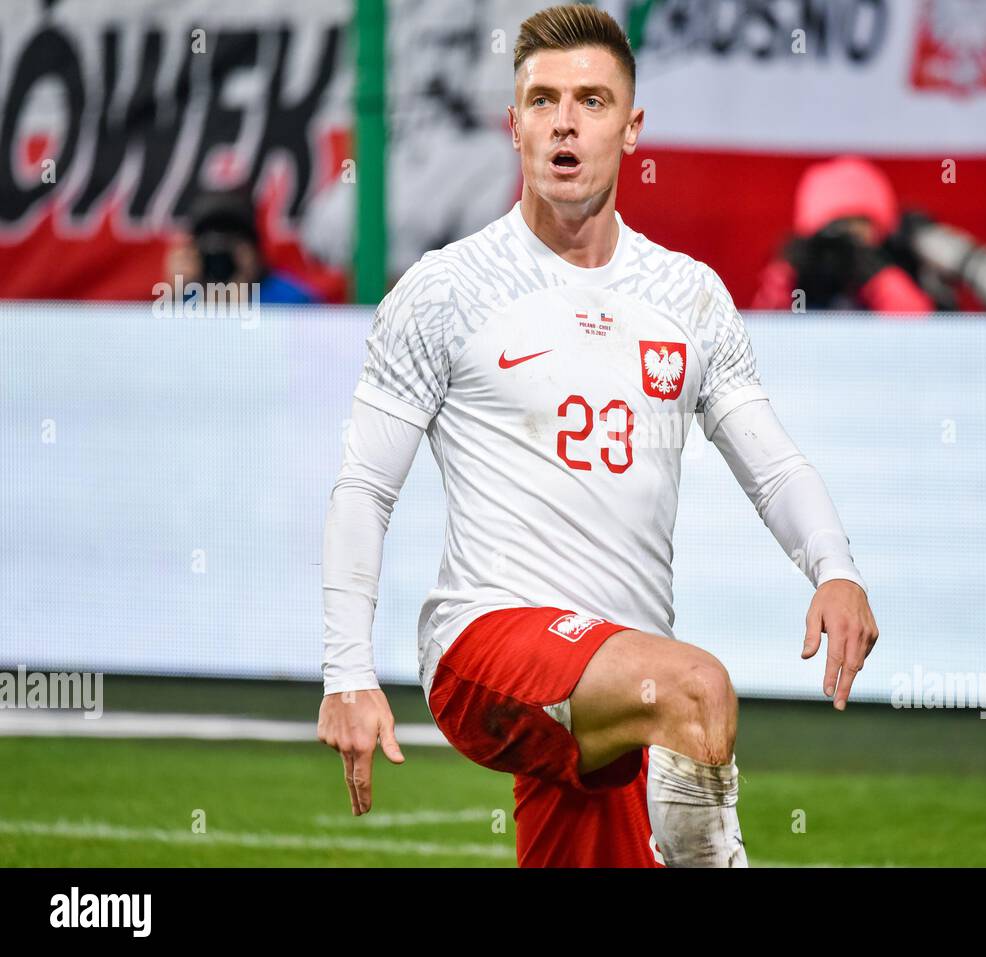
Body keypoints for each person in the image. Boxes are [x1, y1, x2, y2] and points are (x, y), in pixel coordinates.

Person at [316, 4, 879, 868]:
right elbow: (365, 487)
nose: (565, 121)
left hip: (609, 694)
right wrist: (348, 672)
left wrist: (834, 569)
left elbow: (770, 465)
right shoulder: (444, 289)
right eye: (542, 100)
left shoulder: (687, 296)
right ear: (514, 125)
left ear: (632, 125)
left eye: (591, 99)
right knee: (698, 691)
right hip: (487, 647)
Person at [750, 156, 933, 313]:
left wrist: (879, 278)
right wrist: (787, 276)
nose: (847, 238)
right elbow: (765, 328)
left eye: (858, 224)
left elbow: (917, 329)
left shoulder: (889, 268)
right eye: (838, 226)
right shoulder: (799, 273)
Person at [165, 190, 321, 305]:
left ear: (255, 249)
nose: (221, 253)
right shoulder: (183, 298)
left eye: (232, 241)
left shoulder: (291, 300)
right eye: (209, 243)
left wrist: (242, 305)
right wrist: (174, 293)